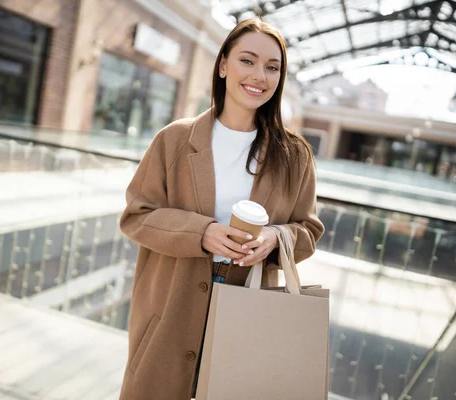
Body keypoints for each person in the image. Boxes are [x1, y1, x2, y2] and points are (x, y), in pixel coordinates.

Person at [118, 18, 325, 400]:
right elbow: (137, 215)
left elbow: (308, 231)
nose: (259, 75)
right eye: (247, 60)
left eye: (272, 67)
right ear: (224, 65)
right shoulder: (175, 139)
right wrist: (202, 233)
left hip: (246, 314)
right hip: (169, 311)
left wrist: (275, 238)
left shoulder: (295, 156)